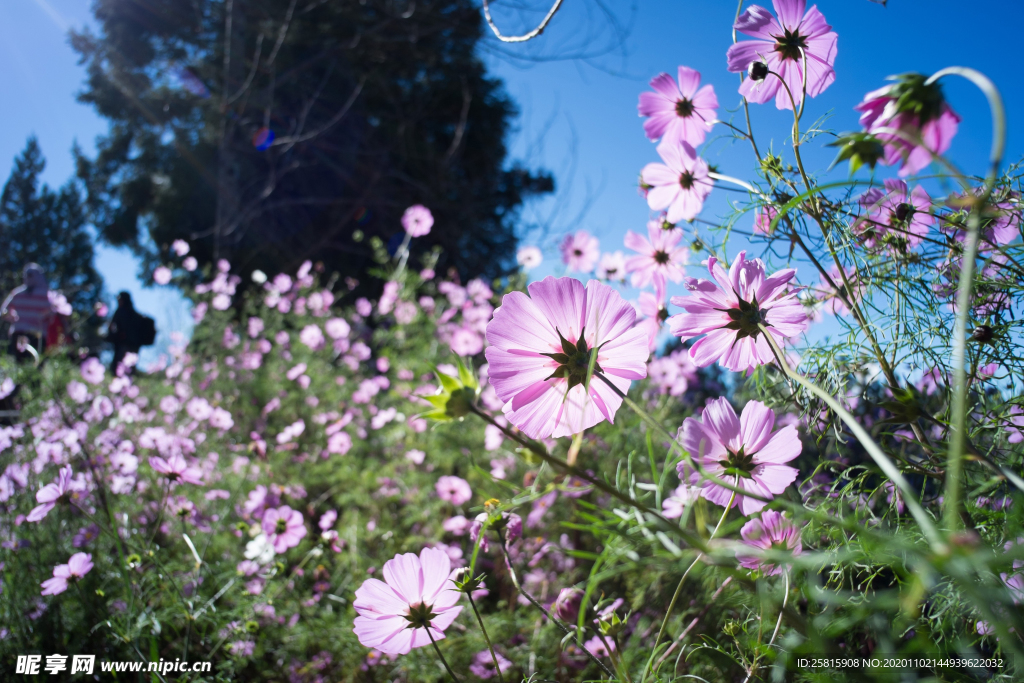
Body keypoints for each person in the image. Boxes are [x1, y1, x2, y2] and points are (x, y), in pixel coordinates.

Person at [1, 263, 53, 360]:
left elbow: (4, 311)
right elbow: (4, 311)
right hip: (28, 333)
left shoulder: (46, 295)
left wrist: (13, 318)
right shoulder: (46, 295)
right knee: (28, 362)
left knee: (26, 362)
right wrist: (13, 317)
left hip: (31, 334)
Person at [107, 291, 144, 374]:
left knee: (119, 365)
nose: (118, 301)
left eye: (119, 299)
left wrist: (111, 335)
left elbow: (112, 326)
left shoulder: (120, 311)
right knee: (130, 367)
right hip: (134, 345)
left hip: (123, 343)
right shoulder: (135, 315)